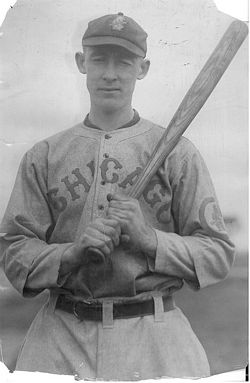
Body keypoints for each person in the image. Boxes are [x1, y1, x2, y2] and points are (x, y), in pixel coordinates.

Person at [0, 12, 235, 380]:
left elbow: (218, 254)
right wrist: (70, 253)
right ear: (82, 63)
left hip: (155, 336)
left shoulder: (178, 154)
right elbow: (13, 252)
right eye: (99, 59)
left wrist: (149, 240)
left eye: (124, 61)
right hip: (60, 337)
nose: (111, 73)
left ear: (142, 68)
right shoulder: (44, 155)